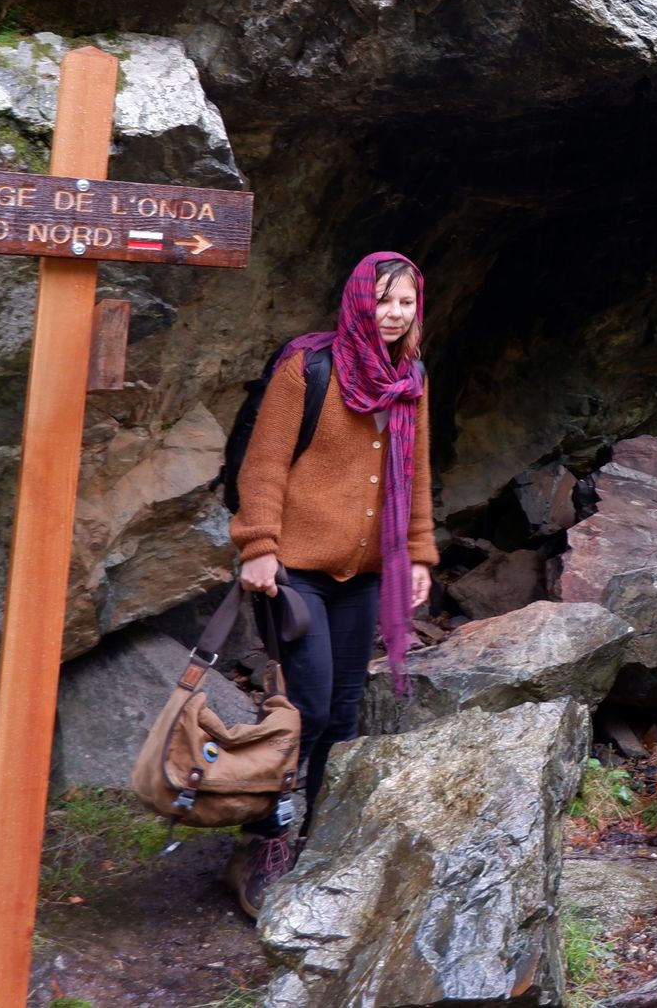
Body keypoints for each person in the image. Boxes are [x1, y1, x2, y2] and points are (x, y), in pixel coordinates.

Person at [221, 251, 436, 918]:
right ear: (357, 301)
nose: (393, 314)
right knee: (308, 708)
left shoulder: (411, 377)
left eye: (405, 302)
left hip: (364, 573)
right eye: (382, 300)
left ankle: (319, 838)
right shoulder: (309, 367)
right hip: (296, 571)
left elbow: (417, 474)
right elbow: (264, 465)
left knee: (344, 714)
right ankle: (265, 839)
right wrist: (258, 546)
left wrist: (418, 555)